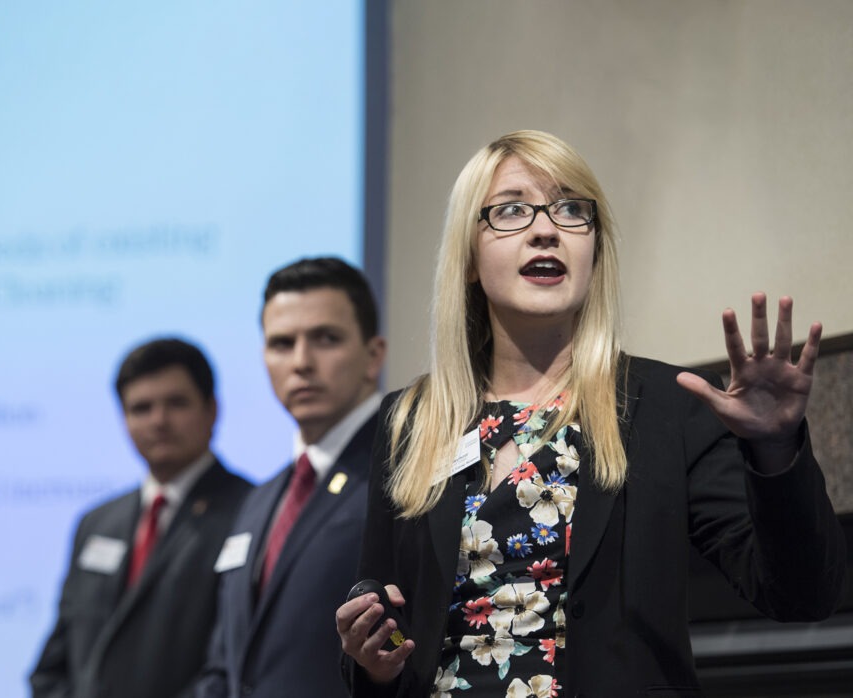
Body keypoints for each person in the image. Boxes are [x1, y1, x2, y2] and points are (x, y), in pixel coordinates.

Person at [335, 130, 846, 697]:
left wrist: (775, 452)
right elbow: (386, 625)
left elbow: (801, 595)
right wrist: (372, 663)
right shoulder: (410, 420)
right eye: (511, 210)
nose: (546, 229)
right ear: (469, 259)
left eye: (572, 209)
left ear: (594, 248)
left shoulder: (666, 407)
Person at [195, 257, 387, 698]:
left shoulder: (404, 475)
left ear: (373, 355)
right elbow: (226, 660)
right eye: (282, 343)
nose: (301, 362)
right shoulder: (260, 499)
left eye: (326, 339)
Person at [30, 338, 252, 698]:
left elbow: (231, 662)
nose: (159, 421)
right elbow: (54, 665)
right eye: (141, 408)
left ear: (212, 409)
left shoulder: (250, 511)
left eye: (176, 403)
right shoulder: (97, 523)